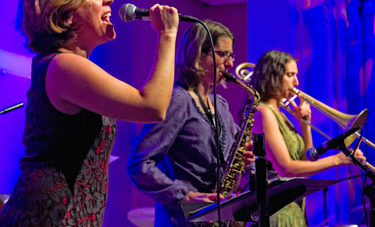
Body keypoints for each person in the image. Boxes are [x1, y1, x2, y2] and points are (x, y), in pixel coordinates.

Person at [0, 0, 179, 227]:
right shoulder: (62, 65)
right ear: (66, 14)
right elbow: (152, 107)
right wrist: (168, 34)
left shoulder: (67, 65)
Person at [127, 20, 255, 227]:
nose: (230, 63)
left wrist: (246, 160)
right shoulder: (177, 100)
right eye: (223, 54)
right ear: (197, 55)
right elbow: (139, 165)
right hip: (183, 220)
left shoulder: (220, 105)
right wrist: (185, 195)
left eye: (231, 55)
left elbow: (233, 158)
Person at [250, 50, 366, 227]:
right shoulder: (264, 112)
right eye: (290, 75)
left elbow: (307, 162)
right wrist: (337, 160)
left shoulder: (280, 115)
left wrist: (306, 124)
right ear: (272, 76)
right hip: (277, 210)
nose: (296, 82)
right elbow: (286, 168)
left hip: (294, 208)